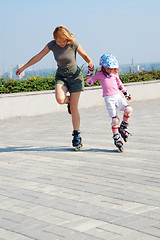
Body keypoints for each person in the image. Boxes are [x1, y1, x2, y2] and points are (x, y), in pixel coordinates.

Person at [16, 25, 94, 150]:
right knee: (60, 99)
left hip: (75, 77)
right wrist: (23, 67)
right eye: (59, 41)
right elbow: (38, 57)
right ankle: (68, 102)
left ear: (67, 38)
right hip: (61, 76)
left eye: (64, 40)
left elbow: (85, 55)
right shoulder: (52, 45)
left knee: (74, 108)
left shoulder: (73, 43)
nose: (62, 43)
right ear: (55, 39)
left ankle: (76, 135)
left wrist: (90, 62)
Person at [86, 53, 132, 152]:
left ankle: (123, 127)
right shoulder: (99, 74)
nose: (111, 70)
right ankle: (116, 137)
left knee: (128, 109)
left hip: (118, 97)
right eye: (108, 68)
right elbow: (89, 82)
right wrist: (90, 72)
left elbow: (120, 84)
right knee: (115, 120)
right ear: (103, 66)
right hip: (108, 99)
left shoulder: (115, 74)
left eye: (112, 68)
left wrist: (126, 93)